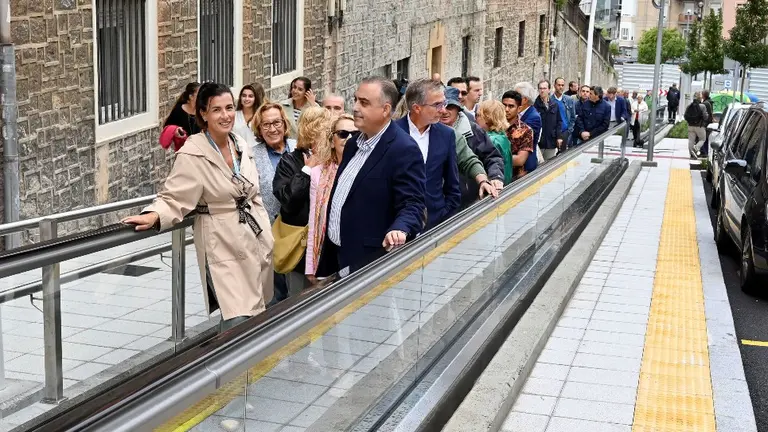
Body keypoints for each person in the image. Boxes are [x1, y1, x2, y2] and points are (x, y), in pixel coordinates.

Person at [123, 82, 274, 332]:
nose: (225, 116)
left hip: (252, 237)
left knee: (255, 316)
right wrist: (154, 214)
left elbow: (252, 190)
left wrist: (265, 232)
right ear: (203, 113)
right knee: (237, 316)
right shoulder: (193, 153)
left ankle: (244, 369)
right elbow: (174, 195)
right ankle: (228, 368)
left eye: (228, 108)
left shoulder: (241, 145)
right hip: (221, 241)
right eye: (216, 110)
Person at [315, 77, 427, 278]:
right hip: (338, 258)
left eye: (364, 103)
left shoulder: (403, 149)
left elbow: (413, 204)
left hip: (370, 264)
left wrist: (400, 229)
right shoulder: (352, 145)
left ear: (385, 110)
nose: (355, 107)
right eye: (356, 100)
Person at [272, 106, 333, 295]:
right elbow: (288, 201)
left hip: (328, 246)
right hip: (299, 249)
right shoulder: (289, 162)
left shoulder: (334, 160)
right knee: (298, 301)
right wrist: (306, 172)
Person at [395, 78, 461, 230]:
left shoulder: (447, 135)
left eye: (443, 103)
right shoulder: (392, 133)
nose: (444, 110)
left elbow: (452, 184)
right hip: (398, 228)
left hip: (435, 224)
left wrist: (444, 217)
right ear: (417, 108)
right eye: (437, 105)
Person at [251, 102, 296, 306]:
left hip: (299, 234)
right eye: (266, 125)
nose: (272, 129)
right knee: (275, 297)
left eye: (276, 122)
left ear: (285, 124)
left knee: (299, 293)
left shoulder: (300, 148)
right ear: (259, 129)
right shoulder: (251, 156)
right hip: (269, 236)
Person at [306, 114, 356, 281]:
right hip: (329, 252)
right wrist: (311, 266)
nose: (348, 138)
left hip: (356, 250)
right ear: (332, 140)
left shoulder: (366, 169)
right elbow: (314, 220)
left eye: (354, 134)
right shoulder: (318, 173)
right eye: (342, 133)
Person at [476, 100, 514, 184]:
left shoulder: (490, 140)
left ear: (487, 118)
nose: (476, 119)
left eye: (478, 115)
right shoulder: (502, 136)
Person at [503, 91, 535, 180]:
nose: (506, 109)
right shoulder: (494, 126)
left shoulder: (526, 130)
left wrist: (494, 159)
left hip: (514, 179)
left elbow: (520, 160)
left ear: (519, 108)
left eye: (511, 106)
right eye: (504, 105)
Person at [161, 82, 201, 151]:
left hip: (200, 151)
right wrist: (175, 130)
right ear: (191, 96)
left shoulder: (203, 111)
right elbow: (167, 127)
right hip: (184, 151)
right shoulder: (179, 110)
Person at [534, 80, 563, 161]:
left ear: (549, 90)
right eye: (540, 88)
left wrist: (559, 137)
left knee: (549, 165)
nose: (542, 90)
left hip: (551, 141)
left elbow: (559, 122)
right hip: (539, 143)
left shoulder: (554, 105)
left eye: (544, 88)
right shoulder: (534, 106)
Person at [553, 77, 576, 149]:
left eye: (562, 85)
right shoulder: (550, 100)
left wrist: (569, 130)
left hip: (565, 132)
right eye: (558, 85)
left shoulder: (569, 100)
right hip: (553, 133)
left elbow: (573, 116)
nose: (560, 87)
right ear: (554, 85)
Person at [684, 92, 708, 159]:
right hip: (699, 126)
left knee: (691, 140)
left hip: (690, 126)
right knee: (703, 139)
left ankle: (691, 154)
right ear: (700, 98)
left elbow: (685, 116)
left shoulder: (689, 106)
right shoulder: (702, 106)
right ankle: (696, 148)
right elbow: (705, 117)